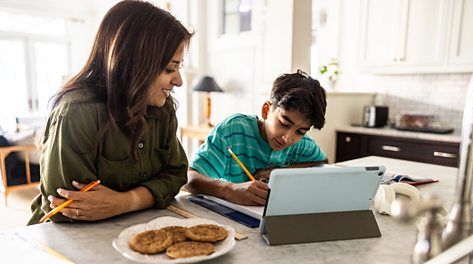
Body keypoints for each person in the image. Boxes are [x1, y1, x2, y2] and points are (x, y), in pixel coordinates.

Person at [28, 1, 193, 224]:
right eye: (169, 68)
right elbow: (68, 209)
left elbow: (176, 174)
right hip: (63, 240)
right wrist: (147, 195)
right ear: (135, 63)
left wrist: (126, 201)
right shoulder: (77, 112)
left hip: (134, 228)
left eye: (178, 67)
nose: (179, 81)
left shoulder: (163, 110)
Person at [184, 70, 328, 206]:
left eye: (301, 131)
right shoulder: (233, 130)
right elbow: (189, 179)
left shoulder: (300, 144)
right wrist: (229, 190)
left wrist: (281, 171)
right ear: (266, 110)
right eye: (284, 123)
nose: (288, 138)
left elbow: (323, 162)